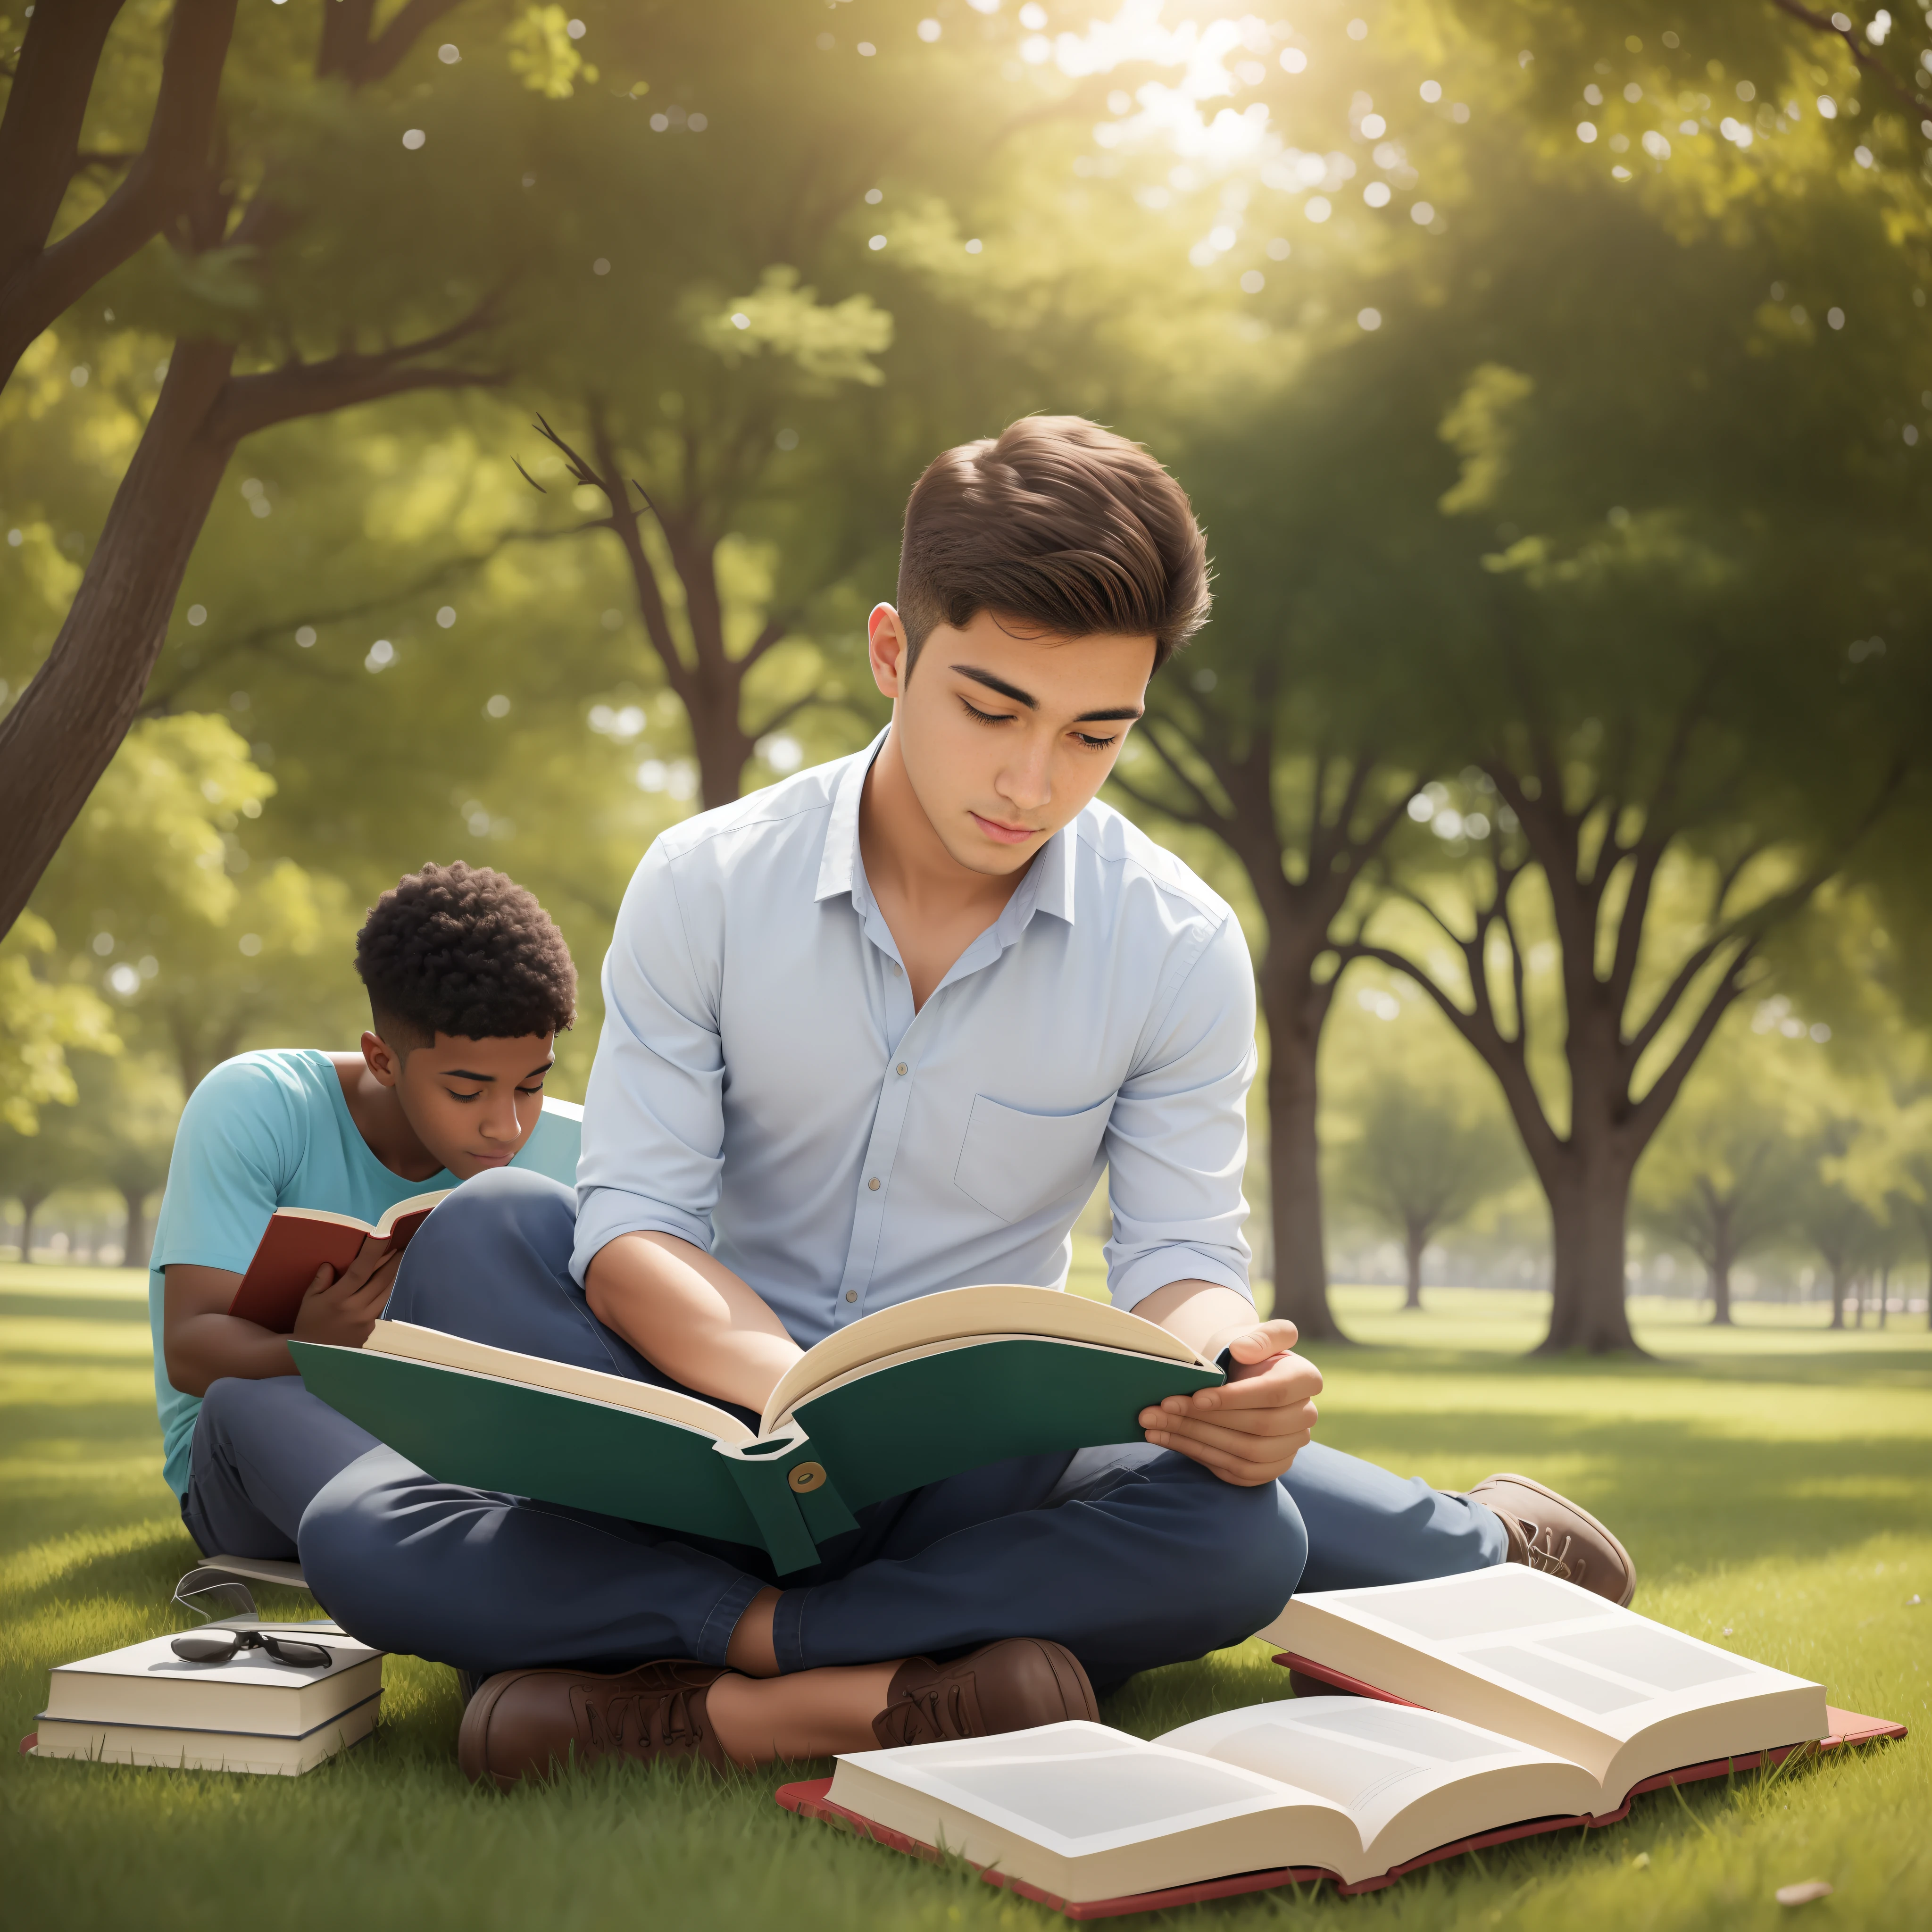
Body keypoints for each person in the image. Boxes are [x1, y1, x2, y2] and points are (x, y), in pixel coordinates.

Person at [224, 417, 1631, 1784]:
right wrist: (788, 1401)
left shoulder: (1179, 942)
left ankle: (701, 1689)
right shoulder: (706, 881)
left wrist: (1232, 1366)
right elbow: (638, 1218)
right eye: (993, 708)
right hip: (697, 1421)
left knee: (1243, 1539)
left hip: (979, 1460)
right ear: (895, 654)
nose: (1034, 782)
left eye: (1097, 733)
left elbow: (1178, 1262)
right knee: (442, 1339)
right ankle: (891, 1665)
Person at [150, 861, 582, 1558]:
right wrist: (314, 1351)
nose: (506, 1127)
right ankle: (488, 1559)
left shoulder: (577, 1149)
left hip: (468, 1445)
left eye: (531, 1086)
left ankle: (495, 1557)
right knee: (239, 1403)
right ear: (383, 1061)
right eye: (467, 1093)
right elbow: (193, 1352)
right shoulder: (257, 1106)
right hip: (263, 1450)